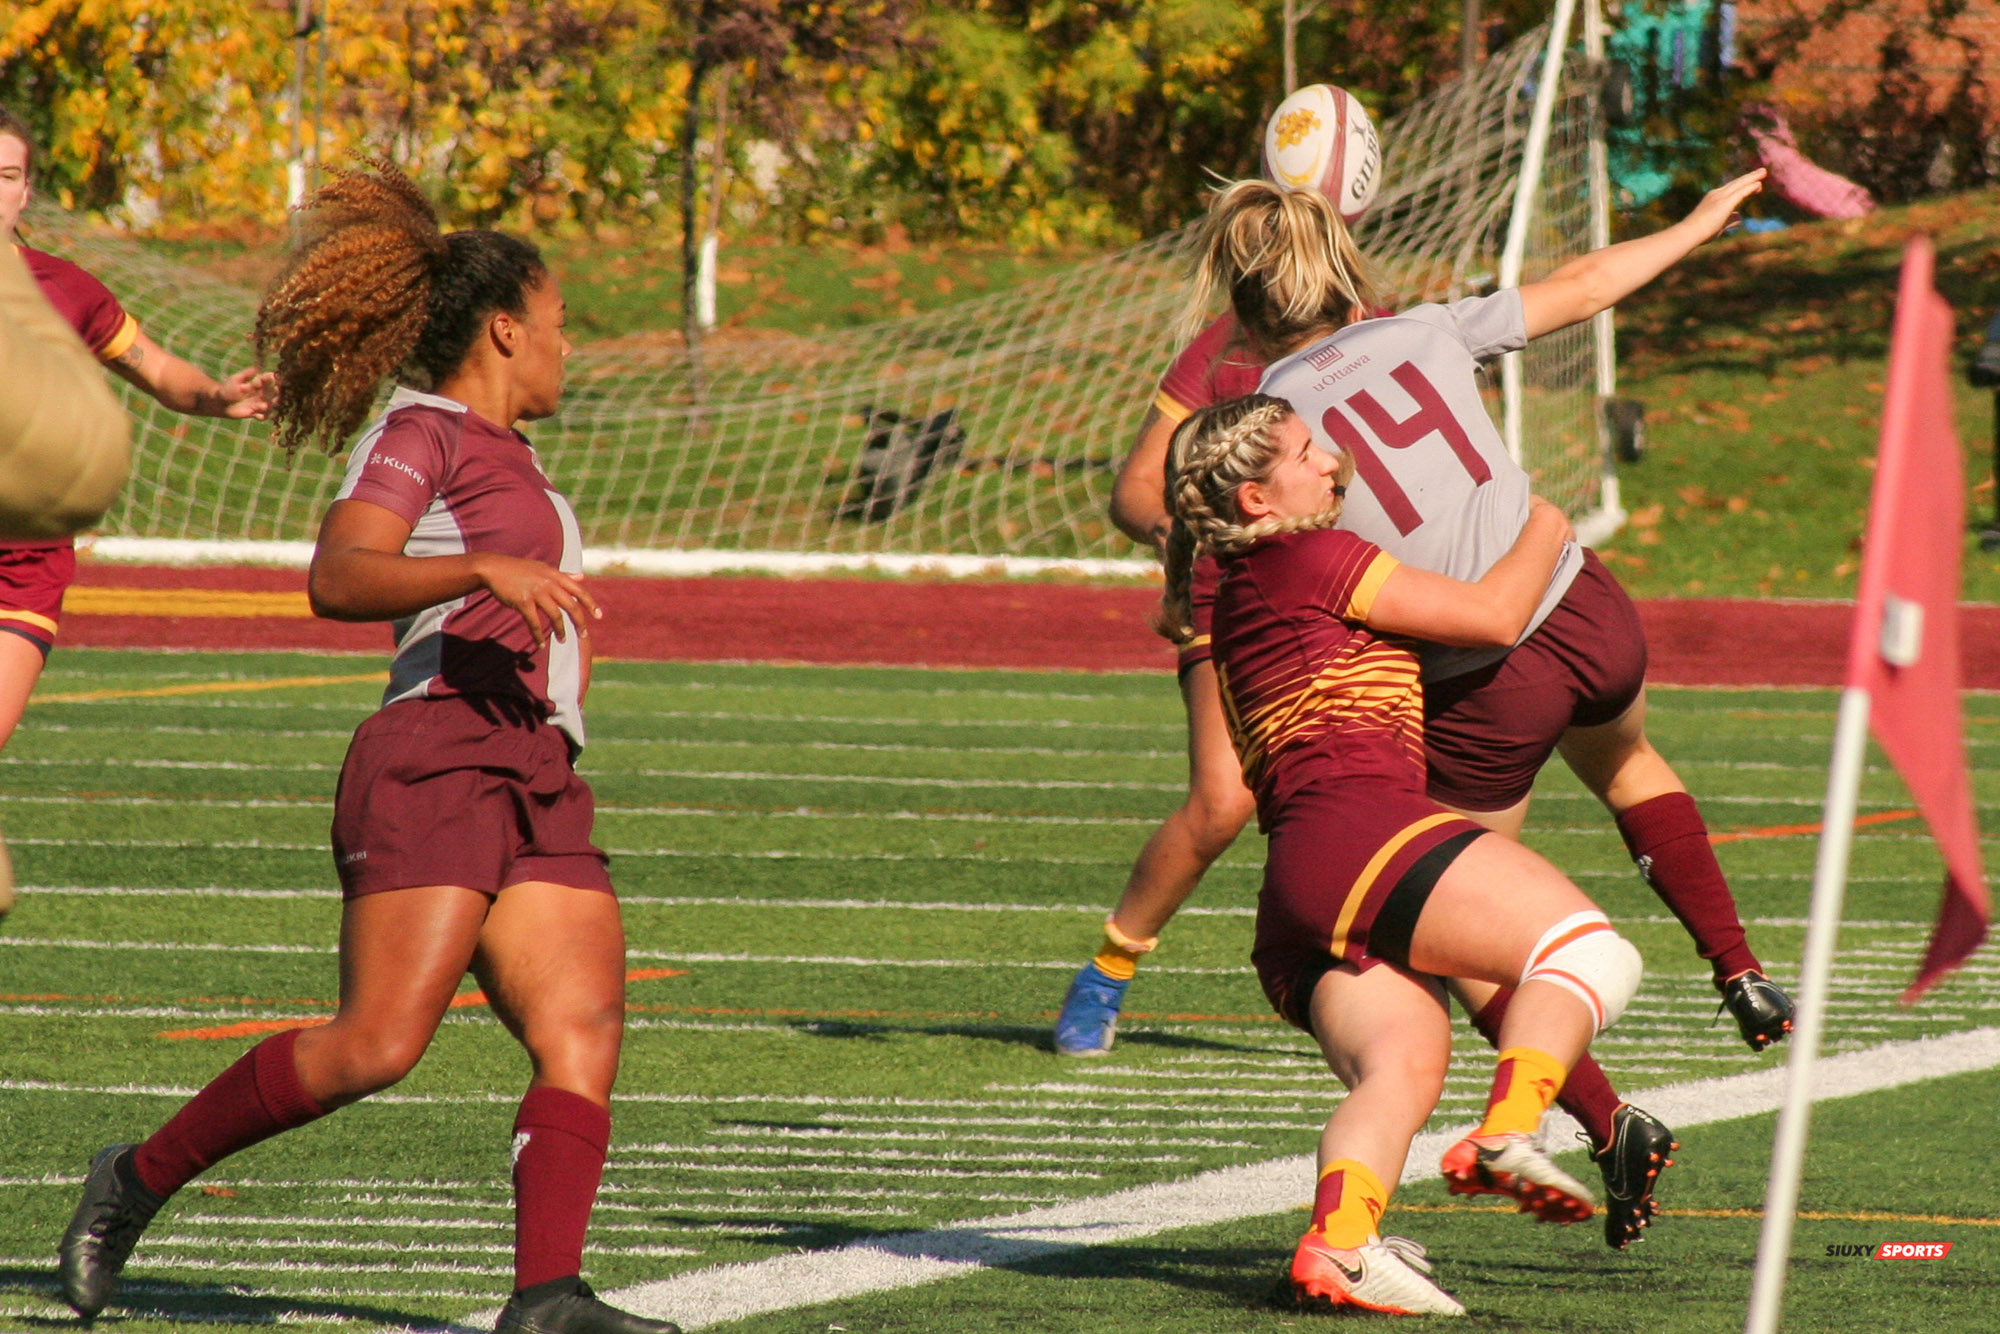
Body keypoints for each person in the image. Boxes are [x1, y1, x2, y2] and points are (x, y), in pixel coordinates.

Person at [1055, 168, 1794, 1247]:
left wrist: (1180, 585)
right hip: (1588, 608)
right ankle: (1737, 965)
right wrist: (1693, 222)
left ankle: (1586, 1116)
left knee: (1467, 940)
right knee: (1630, 766)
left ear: (1243, 314)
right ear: (1348, 271)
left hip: (1477, 672)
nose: (1327, 466)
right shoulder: (1430, 329)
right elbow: (1584, 284)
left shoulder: (1272, 461)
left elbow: (1169, 499)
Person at [55, 161, 682, 1334]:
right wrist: (478, 568)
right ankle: (133, 1179)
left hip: (532, 761)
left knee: (581, 1026)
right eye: (557, 325)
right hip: (438, 750)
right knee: (377, 1042)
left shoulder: (510, 452)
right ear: (505, 327)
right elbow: (336, 576)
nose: (565, 346)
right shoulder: (419, 431)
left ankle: (544, 1295)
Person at [1165, 393, 1646, 1316]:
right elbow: (1497, 616)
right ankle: (1510, 1132)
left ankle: (1340, 1245)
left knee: (1405, 1065)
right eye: (1307, 452)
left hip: (1300, 884)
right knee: (1590, 954)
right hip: (1360, 831)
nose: (1332, 461)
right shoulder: (1305, 553)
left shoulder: (1242, 586)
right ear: (1259, 501)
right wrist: (1547, 519)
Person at [0, 108, 274, 763]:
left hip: (21, 570)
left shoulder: (67, 291)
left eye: (7, 174)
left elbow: (153, 367)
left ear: (26, 191)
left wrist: (217, 396)